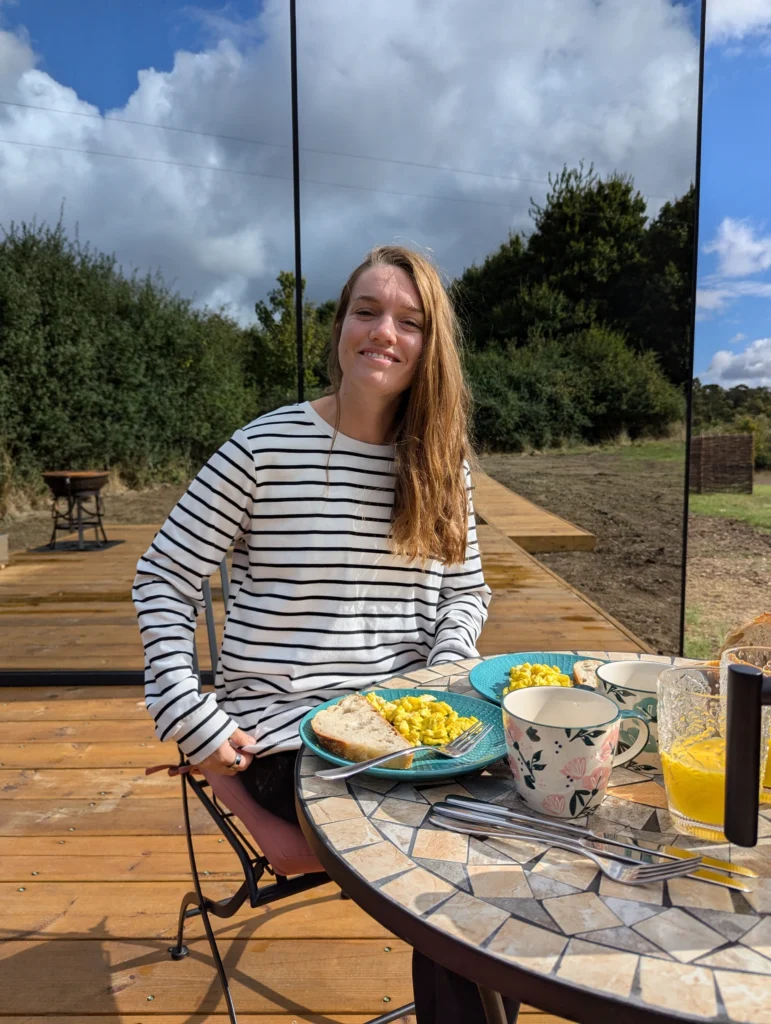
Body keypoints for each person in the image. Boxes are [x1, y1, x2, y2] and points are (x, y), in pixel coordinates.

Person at [133, 244, 519, 1024]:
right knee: (453, 859)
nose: (384, 332)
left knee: (522, 819)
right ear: (339, 325)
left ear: (429, 343)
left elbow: (465, 590)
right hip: (285, 734)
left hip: (414, 731)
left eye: (408, 321)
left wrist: (444, 673)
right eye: (367, 311)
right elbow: (162, 581)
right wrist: (191, 721)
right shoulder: (262, 450)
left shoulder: (441, 463)